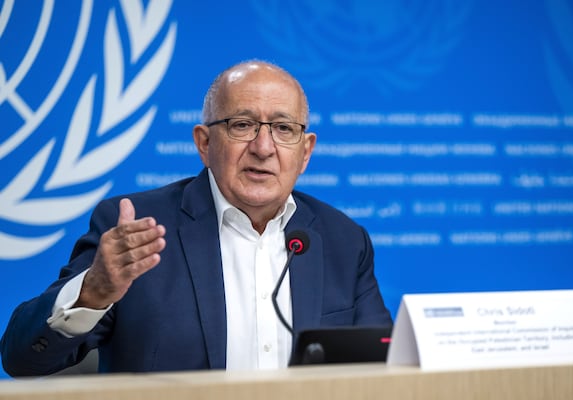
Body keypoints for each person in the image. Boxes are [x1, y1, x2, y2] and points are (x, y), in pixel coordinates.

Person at [0, 60, 392, 376]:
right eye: (242, 125)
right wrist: (93, 293)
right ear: (204, 143)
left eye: (283, 128)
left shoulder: (343, 240)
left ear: (305, 153)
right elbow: (22, 359)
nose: (263, 147)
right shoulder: (137, 230)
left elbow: (383, 367)